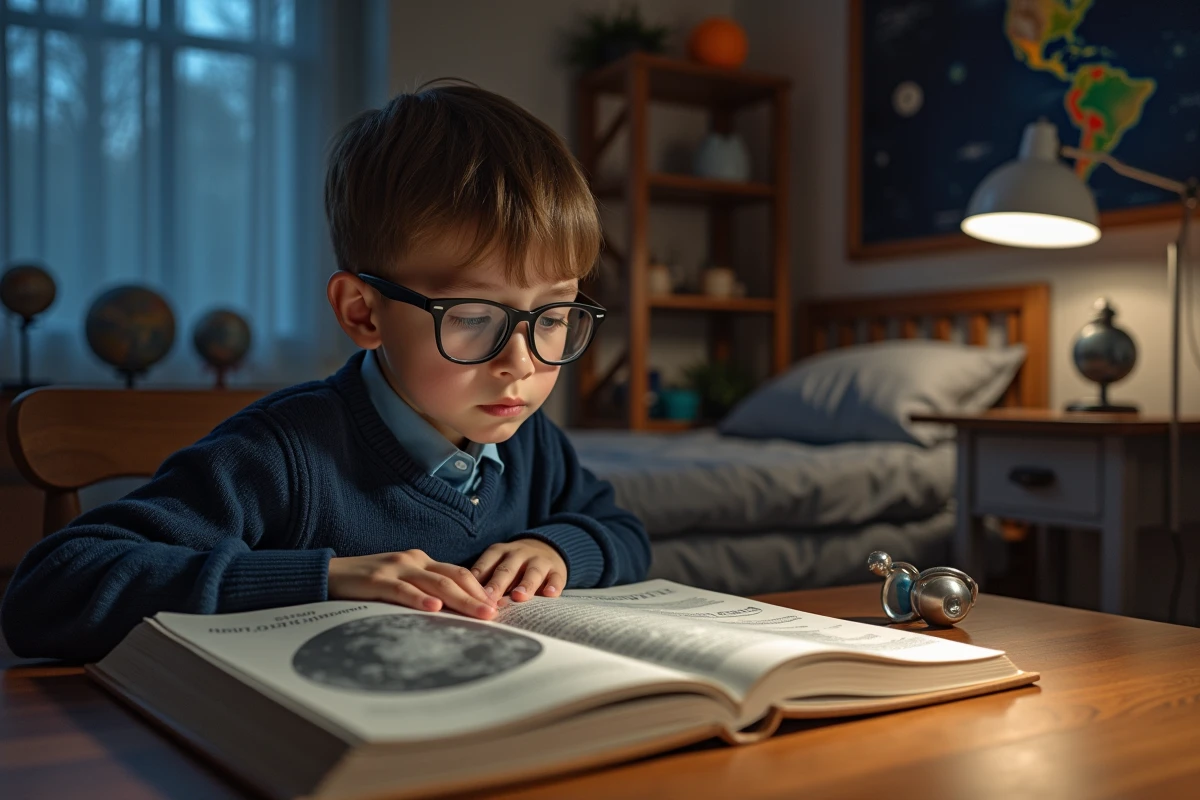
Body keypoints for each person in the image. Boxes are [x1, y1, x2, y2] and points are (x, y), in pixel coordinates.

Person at [0, 80, 651, 662]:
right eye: (474, 317)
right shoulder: (283, 455)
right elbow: (50, 589)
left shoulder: (533, 447)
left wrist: (563, 549)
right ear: (363, 313)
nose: (522, 364)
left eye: (554, 314)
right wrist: (322, 577)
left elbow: (624, 533)